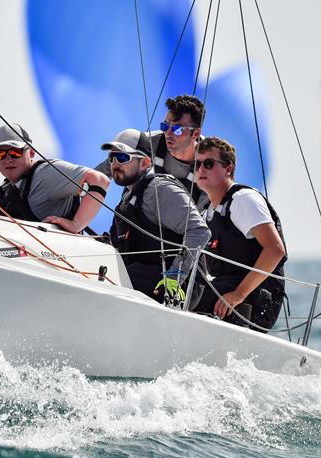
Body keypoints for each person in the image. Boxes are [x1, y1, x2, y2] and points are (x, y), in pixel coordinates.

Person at [192, 137, 286, 332]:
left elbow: (275, 250)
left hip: (257, 299)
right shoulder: (206, 212)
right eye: (198, 164)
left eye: (209, 163)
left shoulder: (243, 199)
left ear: (228, 168)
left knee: (192, 296)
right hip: (225, 292)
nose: (201, 169)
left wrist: (238, 294)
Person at [102, 132, 210, 302]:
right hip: (143, 274)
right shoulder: (126, 201)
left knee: (113, 278)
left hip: (176, 284)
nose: (115, 163)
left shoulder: (159, 189)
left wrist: (175, 277)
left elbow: (200, 231)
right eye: (112, 158)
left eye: (122, 157)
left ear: (145, 162)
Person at [0, 123, 109, 233]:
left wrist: (76, 225)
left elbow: (100, 180)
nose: (8, 159)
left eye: (15, 152)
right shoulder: (0, 195)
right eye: (0, 154)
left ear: (31, 153)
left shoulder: (45, 174)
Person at [94, 94, 208, 208]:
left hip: (178, 222)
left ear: (196, 133)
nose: (168, 133)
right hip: (133, 214)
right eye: (165, 126)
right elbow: (101, 172)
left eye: (177, 129)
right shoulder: (147, 143)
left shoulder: (211, 164)